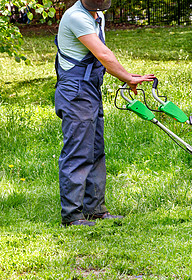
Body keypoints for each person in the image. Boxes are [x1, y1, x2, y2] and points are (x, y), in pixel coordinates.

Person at [54, 0, 155, 226]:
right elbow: (104, 55)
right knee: (78, 151)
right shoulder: (76, 17)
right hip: (76, 90)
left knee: (96, 149)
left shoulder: (98, 14)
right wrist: (128, 77)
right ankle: (72, 216)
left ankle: (95, 209)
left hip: (90, 88)